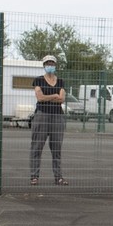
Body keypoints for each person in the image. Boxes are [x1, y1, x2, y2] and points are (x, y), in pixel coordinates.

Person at [27, 55, 69, 186]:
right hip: (42, 115)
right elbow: (40, 97)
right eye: (47, 63)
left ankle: (58, 177)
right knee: (37, 146)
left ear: (55, 65)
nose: (50, 65)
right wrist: (54, 95)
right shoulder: (38, 80)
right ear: (44, 65)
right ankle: (34, 176)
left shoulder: (60, 81)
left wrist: (49, 97)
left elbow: (62, 99)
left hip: (57, 116)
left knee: (56, 148)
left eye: (52, 63)